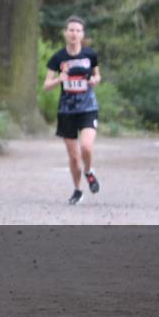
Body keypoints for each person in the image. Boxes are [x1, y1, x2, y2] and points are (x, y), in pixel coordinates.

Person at [43, 16, 102, 205]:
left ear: (82, 34)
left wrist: (94, 81)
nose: (74, 34)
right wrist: (58, 80)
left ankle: (89, 171)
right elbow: (46, 85)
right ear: (65, 33)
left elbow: (97, 76)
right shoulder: (58, 58)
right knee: (74, 156)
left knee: (86, 146)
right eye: (71, 30)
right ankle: (77, 190)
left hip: (88, 107)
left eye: (78, 30)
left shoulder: (90, 55)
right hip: (66, 110)